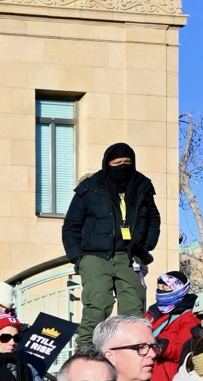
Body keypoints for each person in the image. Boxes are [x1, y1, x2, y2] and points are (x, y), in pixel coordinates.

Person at [61, 141, 159, 331]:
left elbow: (153, 218)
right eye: (117, 163)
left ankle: (131, 353)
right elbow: (71, 225)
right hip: (95, 257)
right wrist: (79, 258)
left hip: (129, 256)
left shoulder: (143, 186)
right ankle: (87, 353)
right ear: (107, 164)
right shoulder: (90, 188)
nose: (122, 166)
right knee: (97, 307)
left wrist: (146, 245)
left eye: (127, 162)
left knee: (133, 311)